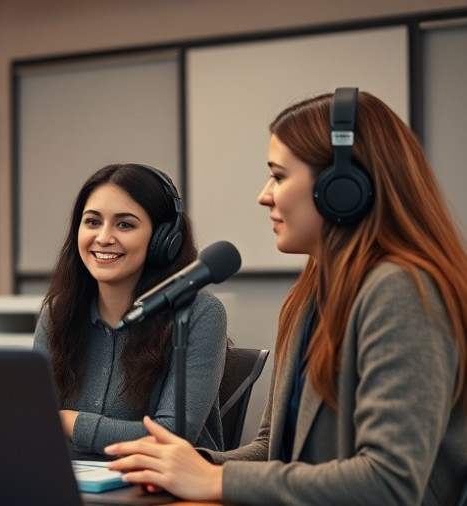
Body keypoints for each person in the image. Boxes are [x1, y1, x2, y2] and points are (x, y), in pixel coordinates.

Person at [105, 89, 467, 505]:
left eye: (278, 176)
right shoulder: (310, 297)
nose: (264, 195)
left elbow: (389, 482)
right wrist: (191, 466)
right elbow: (274, 450)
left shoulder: (400, 289)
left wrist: (215, 482)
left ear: (342, 188)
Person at [33, 163, 228, 460]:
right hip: (71, 486)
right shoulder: (58, 313)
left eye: (125, 224)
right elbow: (32, 421)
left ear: (164, 240)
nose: (103, 238)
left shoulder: (199, 312)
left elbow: (171, 438)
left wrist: (69, 422)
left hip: (165, 491)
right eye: (92, 222)